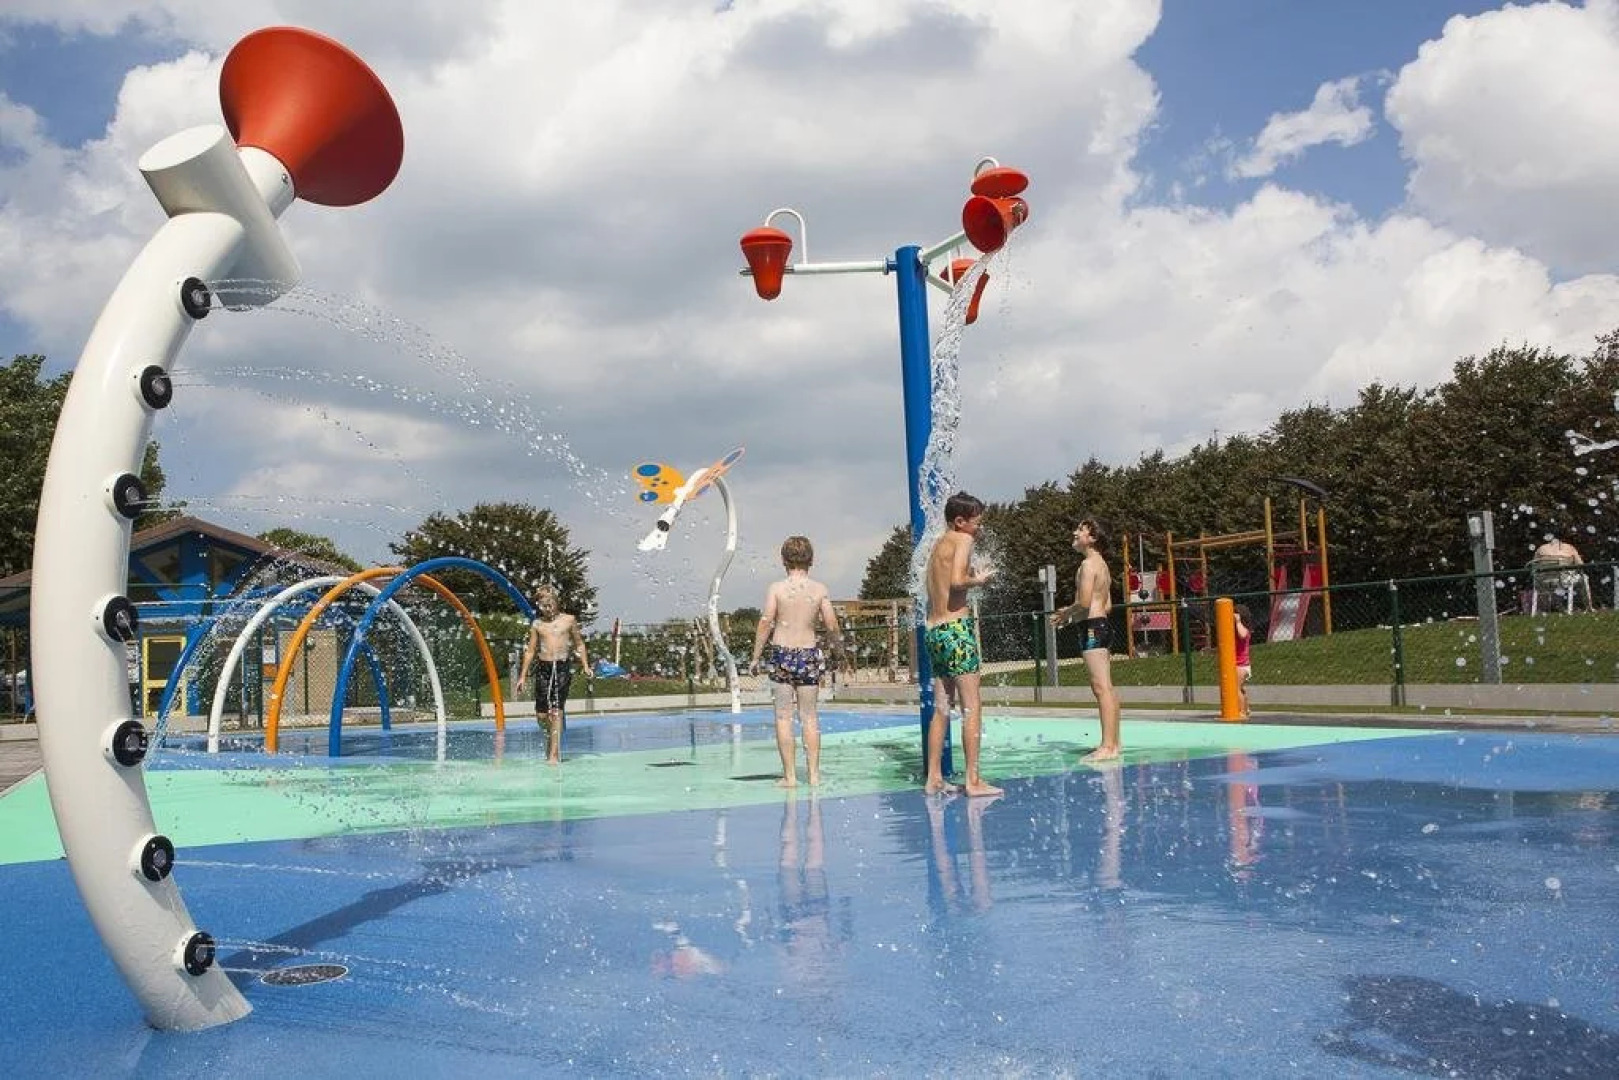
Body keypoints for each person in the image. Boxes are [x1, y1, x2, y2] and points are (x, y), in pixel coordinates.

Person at [922, 492, 1001, 797]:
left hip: (935, 631)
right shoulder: (962, 539)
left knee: (942, 708)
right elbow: (956, 581)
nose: (979, 529)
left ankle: (934, 777)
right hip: (956, 630)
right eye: (976, 523)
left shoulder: (938, 545)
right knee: (972, 706)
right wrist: (979, 580)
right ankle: (973, 780)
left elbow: (940, 586)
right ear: (960, 521)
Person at [750, 536, 844, 787]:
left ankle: (790, 777)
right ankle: (813, 775)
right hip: (808, 654)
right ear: (811, 560)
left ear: (783, 560)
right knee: (809, 717)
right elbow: (832, 624)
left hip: (782, 654)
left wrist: (756, 656)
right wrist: (839, 652)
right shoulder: (819, 590)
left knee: (783, 717)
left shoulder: (776, 589)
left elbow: (765, 622)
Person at [1051, 518, 1122, 762]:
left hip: (1092, 628)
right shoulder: (1103, 566)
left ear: (1092, 538)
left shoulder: (1087, 565)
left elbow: (1083, 601)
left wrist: (1066, 613)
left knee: (1101, 687)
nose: (1075, 532)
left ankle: (1107, 746)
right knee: (1106, 687)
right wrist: (1077, 615)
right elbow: (1107, 605)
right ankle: (1114, 743)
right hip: (1101, 625)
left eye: (1080, 530)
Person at [515, 586, 589, 765]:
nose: (547, 609)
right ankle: (551, 737)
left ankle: (553, 755)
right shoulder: (537, 624)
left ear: (557, 602)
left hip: (562, 668)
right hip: (543, 669)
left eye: (550, 605)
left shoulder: (569, 620)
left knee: (556, 711)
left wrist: (586, 665)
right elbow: (530, 651)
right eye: (543, 606)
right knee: (541, 716)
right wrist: (522, 676)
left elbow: (579, 644)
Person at [1233, 603, 1253, 719]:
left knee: (1235, 688)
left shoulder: (1244, 629)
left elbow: (1243, 635)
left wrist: (1238, 621)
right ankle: (1246, 708)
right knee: (1240, 688)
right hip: (1236, 664)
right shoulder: (1233, 632)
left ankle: (1242, 712)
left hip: (1241, 665)